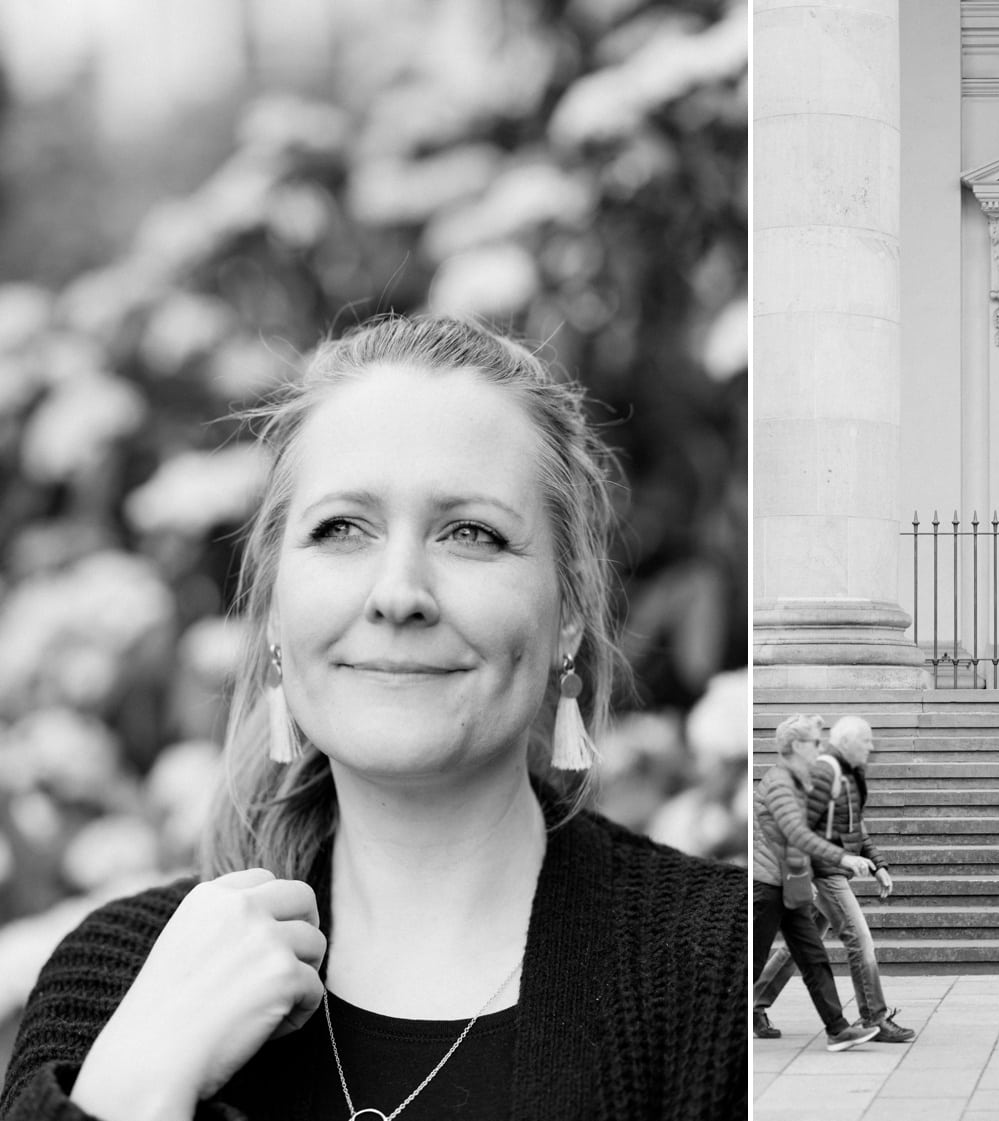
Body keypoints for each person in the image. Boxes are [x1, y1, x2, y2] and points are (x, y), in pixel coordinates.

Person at [0, 316, 745, 1121]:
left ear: (567, 613)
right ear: (277, 610)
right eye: (342, 528)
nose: (399, 592)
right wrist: (134, 1087)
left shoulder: (718, 970)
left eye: (471, 533)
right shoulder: (117, 988)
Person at [752, 716, 914, 1043]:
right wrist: (825, 865)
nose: (872, 746)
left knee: (806, 951)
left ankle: (762, 1004)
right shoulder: (817, 775)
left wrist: (876, 862)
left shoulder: (841, 775)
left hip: (814, 872)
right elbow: (799, 831)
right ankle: (872, 1017)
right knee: (857, 939)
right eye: (865, 740)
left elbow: (852, 827)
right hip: (808, 874)